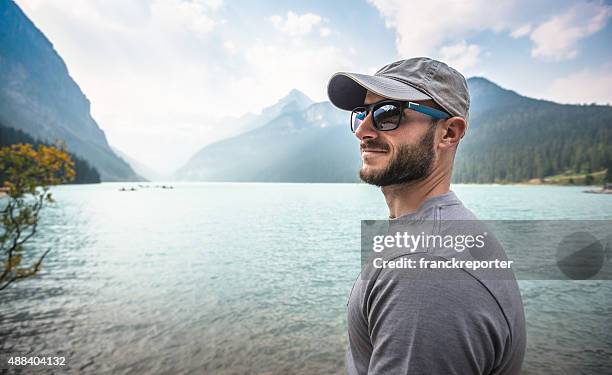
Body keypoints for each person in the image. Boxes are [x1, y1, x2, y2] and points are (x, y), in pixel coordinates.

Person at [327, 57, 526, 374]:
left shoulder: (425, 272)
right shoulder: (443, 232)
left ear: (448, 133)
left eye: (388, 113)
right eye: (362, 114)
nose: (362, 130)